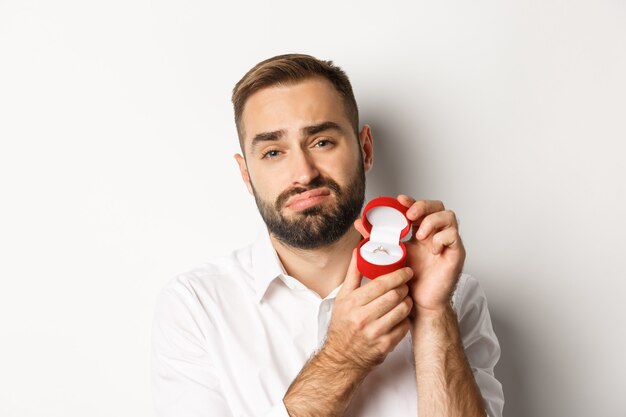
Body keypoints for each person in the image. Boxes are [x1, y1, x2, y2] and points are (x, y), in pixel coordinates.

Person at [151, 53, 504, 417]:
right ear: (246, 175)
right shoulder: (196, 306)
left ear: (365, 149)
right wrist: (342, 359)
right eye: (273, 152)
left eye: (321, 142)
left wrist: (432, 314)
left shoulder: (452, 295)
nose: (303, 173)